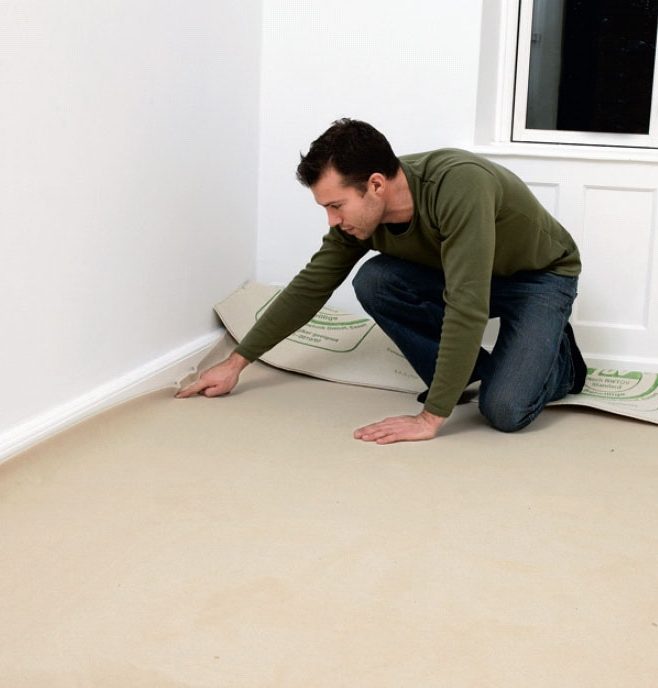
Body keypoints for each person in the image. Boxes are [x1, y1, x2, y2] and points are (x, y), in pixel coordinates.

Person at [177, 118, 586, 444]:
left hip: (540, 277)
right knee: (375, 280)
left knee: (505, 411)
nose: (332, 220)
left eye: (336, 205)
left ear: (375, 185)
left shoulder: (460, 185)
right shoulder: (358, 221)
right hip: (465, 277)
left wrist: (431, 417)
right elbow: (310, 287)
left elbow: (467, 303)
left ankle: (562, 362)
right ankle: (471, 374)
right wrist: (236, 363)